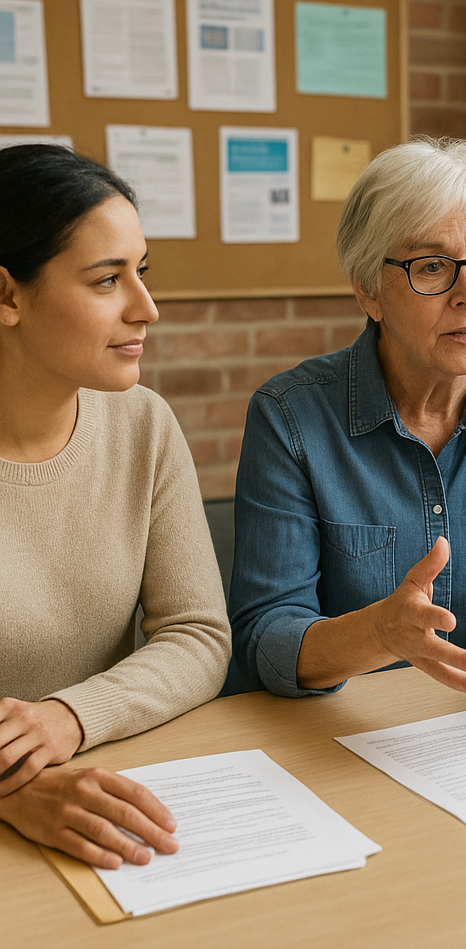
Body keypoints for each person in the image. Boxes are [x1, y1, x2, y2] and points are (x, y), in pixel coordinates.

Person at [228, 137, 466, 710]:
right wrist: (378, 633)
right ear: (368, 289)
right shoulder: (290, 418)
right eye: (432, 267)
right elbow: (265, 636)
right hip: (343, 736)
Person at [0, 144, 231, 868]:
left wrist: (70, 717)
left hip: (104, 781)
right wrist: (11, 788)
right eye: (107, 279)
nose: (147, 307)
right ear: (7, 296)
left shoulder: (143, 425)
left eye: (142, 271)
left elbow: (198, 636)